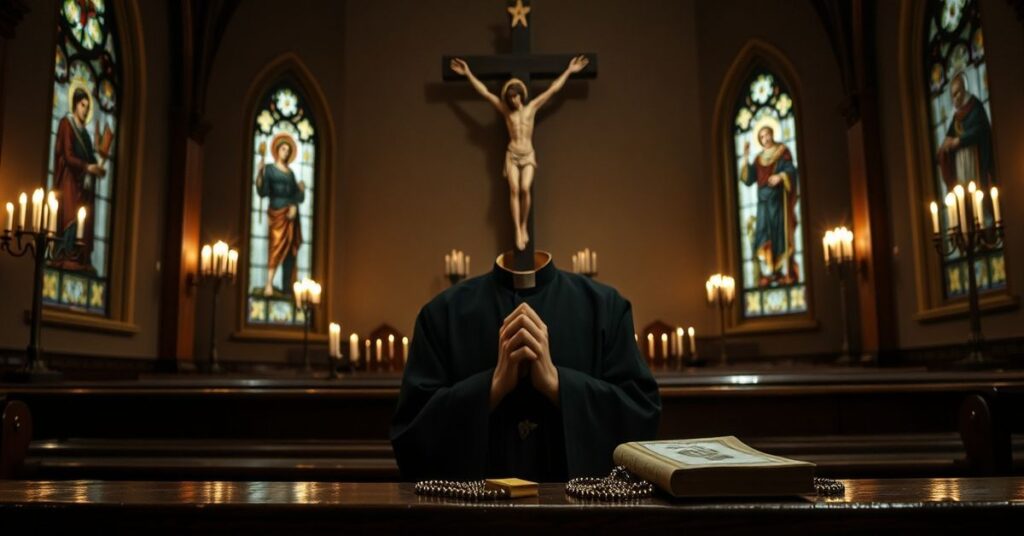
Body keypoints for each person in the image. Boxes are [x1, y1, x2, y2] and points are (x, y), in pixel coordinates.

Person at [390, 251, 661, 481]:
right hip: (470, 520)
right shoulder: (441, 314)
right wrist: (492, 387)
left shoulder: (606, 307)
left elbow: (641, 421)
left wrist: (557, 384)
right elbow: (411, 440)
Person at [450, 55, 589, 251]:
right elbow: (485, 93)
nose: (513, 101)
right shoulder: (507, 112)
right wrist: (468, 74)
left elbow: (553, 90)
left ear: (520, 95)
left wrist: (569, 71)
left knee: (525, 189)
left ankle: (524, 225)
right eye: (510, 98)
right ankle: (517, 229)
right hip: (512, 155)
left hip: (528, 154)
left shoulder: (531, 108)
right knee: (514, 190)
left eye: (515, 97)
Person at [53, 87, 106, 271]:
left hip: (83, 187)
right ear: (75, 104)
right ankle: (65, 255)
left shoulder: (85, 134)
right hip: (69, 182)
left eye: (88, 107)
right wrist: (87, 167)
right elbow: (67, 155)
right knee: (69, 219)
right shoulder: (66, 124)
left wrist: (97, 166)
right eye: (83, 105)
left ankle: (79, 257)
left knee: (82, 220)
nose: (85, 109)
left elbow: (91, 159)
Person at [740, 125, 799, 287]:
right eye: (762, 137)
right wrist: (745, 157)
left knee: (779, 235)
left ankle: (782, 272)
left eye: (767, 135)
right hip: (763, 205)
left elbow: (791, 171)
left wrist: (781, 176)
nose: (765, 138)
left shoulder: (782, 151)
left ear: (772, 134)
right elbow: (748, 179)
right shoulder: (758, 159)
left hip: (778, 203)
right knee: (763, 236)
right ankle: (769, 272)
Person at [256, 134, 305, 296]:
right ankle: (269, 284)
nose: (285, 152)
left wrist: (299, 194)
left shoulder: (290, 174)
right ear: (277, 150)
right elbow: (263, 192)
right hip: (277, 212)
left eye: (288, 150)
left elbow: (296, 195)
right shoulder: (269, 169)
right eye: (283, 149)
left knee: (290, 251)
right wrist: (259, 174)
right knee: (275, 248)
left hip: (290, 216)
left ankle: (286, 288)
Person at [937, 72, 994, 190]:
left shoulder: (975, 106)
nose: (955, 98)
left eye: (957, 92)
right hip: (961, 166)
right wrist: (943, 148)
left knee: (978, 190)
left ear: (964, 89)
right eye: (953, 95)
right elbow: (949, 136)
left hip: (976, 160)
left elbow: (981, 131)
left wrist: (959, 140)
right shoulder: (957, 117)